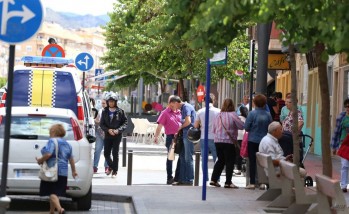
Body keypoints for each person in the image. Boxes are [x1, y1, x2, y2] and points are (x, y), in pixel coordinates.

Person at [36, 124, 77, 214]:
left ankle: (60, 209)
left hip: (52, 171)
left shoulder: (52, 141)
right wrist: (74, 171)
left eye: (50, 131)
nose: (49, 133)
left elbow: (48, 154)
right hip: (63, 173)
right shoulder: (67, 144)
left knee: (51, 193)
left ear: (54, 132)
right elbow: (71, 159)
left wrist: (40, 160)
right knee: (55, 193)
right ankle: (51, 211)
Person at [209, 98, 244, 188]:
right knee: (230, 161)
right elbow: (241, 126)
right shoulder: (233, 115)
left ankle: (214, 179)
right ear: (232, 105)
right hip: (229, 141)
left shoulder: (218, 115)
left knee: (220, 160)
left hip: (217, 141)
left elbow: (213, 129)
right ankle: (228, 182)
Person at [244, 94, 272, 190]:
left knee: (252, 161)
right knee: (263, 162)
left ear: (254, 103)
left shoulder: (252, 114)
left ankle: (252, 182)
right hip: (264, 141)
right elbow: (270, 128)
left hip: (252, 140)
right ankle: (262, 182)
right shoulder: (268, 115)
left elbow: (246, 128)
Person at [154, 95, 182, 184]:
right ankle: (169, 177)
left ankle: (177, 177)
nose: (176, 106)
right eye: (174, 104)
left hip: (180, 137)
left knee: (181, 157)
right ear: (170, 103)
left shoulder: (180, 112)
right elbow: (159, 126)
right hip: (171, 138)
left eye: (177, 104)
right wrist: (156, 136)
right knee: (170, 157)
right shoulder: (165, 113)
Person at [100, 92, 128, 176]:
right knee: (106, 154)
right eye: (109, 101)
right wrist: (108, 130)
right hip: (108, 135)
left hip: (117, 136)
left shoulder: (121, 111)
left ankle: (115, 171)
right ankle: (112, 167)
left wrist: (118, 130)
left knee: (115, 153)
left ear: (115, 102)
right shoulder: (104, 111)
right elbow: (102, 124)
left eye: (113, 101)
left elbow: (125, 123)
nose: (111, 103)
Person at [193, 96, 220, 180]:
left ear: (204, 102)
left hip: (203, 137)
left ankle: (205, 177)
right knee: (217, 158)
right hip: (215, 137)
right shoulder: (218, 111)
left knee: (204, 159)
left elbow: (196, 125)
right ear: (214, 101)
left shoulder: (200, 111)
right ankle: (216, 178)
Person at [172, 96, 196, 186]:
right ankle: (182, 178)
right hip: (185, 135)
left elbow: (188, 121)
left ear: (176, 102)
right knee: (182, 157)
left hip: (188, 135)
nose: (174, 108)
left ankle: (189, 179)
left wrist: (180, 127)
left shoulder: (186, 107)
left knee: (187, 158)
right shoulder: (184, 108)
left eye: (173, 105)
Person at [331, 98, 349, 193]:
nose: (348, 108)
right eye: (346, 106)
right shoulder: (341, 117)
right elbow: (337, 132)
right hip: (344, 144)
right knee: (344, 165)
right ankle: (343, 185)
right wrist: (334, 146)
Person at [93, 98, 109, 174]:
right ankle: (94, 166)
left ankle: (107, 167)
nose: (103, 105)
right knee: (97, 150)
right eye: (102, 103)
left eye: (104, 103)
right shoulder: (100, 111)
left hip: (109, 134)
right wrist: (98, 121)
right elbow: (96, 120)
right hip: (99, 133)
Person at [235, 106, 248, 175]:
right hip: (244, 137)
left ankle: (239, 168)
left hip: (237, 137)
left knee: (238, 154)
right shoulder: (247, 118)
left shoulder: (238, 118)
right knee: (243, 153)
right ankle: (243, 167)